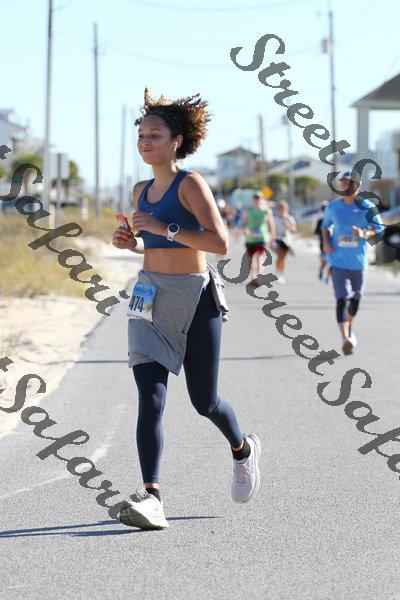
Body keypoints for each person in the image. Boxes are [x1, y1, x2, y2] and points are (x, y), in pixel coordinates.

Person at [112, 88, 261, 531]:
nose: (145, 142)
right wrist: (131, 242)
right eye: (141, 136)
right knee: (150, 397)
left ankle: (243, 449)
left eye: (154, 136)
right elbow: (152, 242)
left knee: (204, 401)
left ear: (176, 141)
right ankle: (152, 497)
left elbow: (219, 243)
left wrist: (165, 227)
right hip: (148, 295)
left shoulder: (191, 184)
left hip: (195, 296)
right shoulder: (140, 190)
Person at [321, 170, 384, 355]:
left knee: (355, 299)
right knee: (341, 299)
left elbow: (379, 230)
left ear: (358, 185)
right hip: (337, 261)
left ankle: (349, 328)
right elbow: (325, 226)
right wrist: (326, 242)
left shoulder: (367, 207)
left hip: (358, 262)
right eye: (343, 182)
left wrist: (364, 234)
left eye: (349, 183)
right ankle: (346, 337)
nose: (345, 185)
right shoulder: (333, 207)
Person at [243, 192, 276, 286]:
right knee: (251, 259)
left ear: (262, 199)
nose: (257, 200)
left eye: (259, 198)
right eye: (255, 198)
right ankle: (253, 277)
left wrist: (272, 237)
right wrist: (245, 229)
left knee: (260, 257)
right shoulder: (249, 211)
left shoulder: (266, 211)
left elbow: (271, 224)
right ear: (253, 200)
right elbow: (244, 223)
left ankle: (259, 277)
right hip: (250, 238)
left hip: (262, 238)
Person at [273, 200, 297, 284]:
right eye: (280, 208)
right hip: (277, 239)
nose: (282, 210)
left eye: (283, 208)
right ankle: (277, 273)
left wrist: (288, 226)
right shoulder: (275, 219)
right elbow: (272, 230)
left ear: (286, 209)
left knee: (283, 259)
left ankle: (281, 274)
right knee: (279, 256)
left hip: (286, 240)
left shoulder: (289, 218)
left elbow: (294, 230)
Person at [315, 201, 331, 284]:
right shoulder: (320, 221)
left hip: (333, 244)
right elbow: (317, 232)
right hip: (323, 244)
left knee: (331, 263)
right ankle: (321, 271)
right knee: (324, 262)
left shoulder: (334, 219)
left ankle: (328, 278)